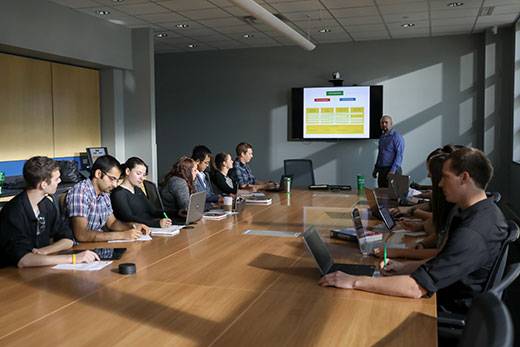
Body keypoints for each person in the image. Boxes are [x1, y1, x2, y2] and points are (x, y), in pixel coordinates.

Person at [321, 147, 507, 314]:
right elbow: (443, 260)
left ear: (464, 178)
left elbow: (415, 288)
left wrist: (354, 281)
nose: (440, 184)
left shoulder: (473, 232)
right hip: (445, 291)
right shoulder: (482, 212)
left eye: (446, 177)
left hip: (441, 309)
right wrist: (403, 266)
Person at [0, 156, 99, 267]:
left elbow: (68, 239)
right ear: (43, 184)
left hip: (38, 269)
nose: (60, 181)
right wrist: (74, 258)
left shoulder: (46, 205)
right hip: (10, 275)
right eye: (56, 179)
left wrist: (45, 251)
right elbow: (23, 260)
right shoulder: (14, 212)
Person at [66, 155, 150, 242]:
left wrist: (133, 226)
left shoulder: (104, 193)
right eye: (112, 179)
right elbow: (81, 235)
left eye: (117, 180)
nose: (115, 184)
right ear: (98, 174)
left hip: (101, 247)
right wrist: (122, 235)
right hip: (83, 251)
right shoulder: (80, 193)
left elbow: (112, 223)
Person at [111, 157, 172, 228]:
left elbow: (153, 211)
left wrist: (177, 213)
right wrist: (156, 223)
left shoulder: (138, 190)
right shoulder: (118, 193)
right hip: (136, 231)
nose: (142, 178)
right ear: (127, 171)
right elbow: (128, 218)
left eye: (143, 175)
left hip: (150, 228)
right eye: (138, 173)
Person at [372, 115, 405, 188]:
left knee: (393, 195)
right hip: (382, 170)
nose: (384, 124)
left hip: (393, 170)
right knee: (381, 193)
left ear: (391, 124)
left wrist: (392, 171)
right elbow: (380, 155)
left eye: (386, 122)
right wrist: (376, 169)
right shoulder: (382, 137)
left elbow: (399, 155)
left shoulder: (397, 137)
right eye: (382, 123)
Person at [191, 145, 221, 209]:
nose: (207, 166)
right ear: (197, 161)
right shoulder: (192, 176)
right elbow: (201, 198)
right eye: (206, 163)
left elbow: (209, 194)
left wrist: (220, 197)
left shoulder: (204, 175)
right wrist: (212, 205)